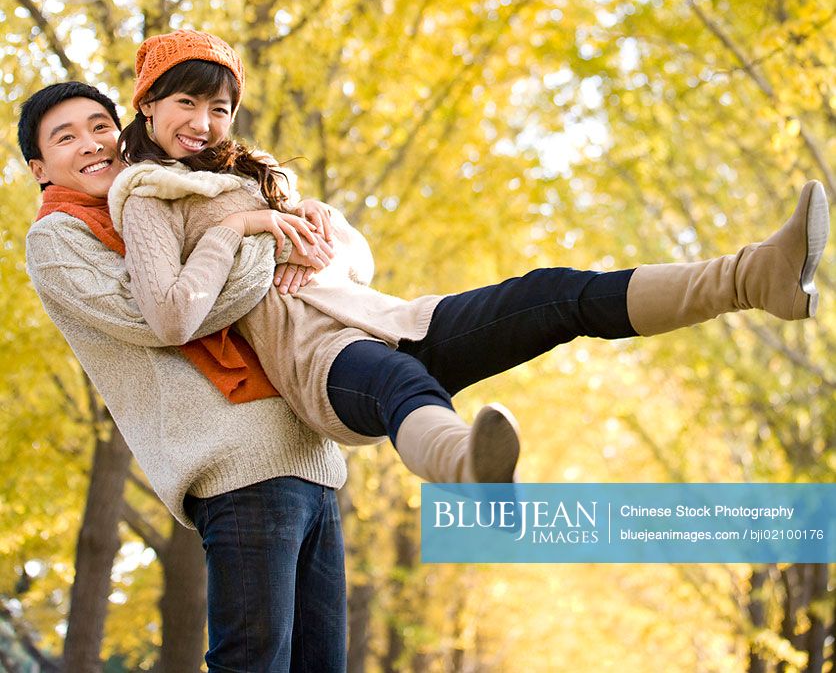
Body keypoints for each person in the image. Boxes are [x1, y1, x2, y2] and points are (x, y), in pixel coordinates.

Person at [112, 29, 830, 489]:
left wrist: (323, 227)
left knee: (556, 293)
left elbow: (356, 260)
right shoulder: (148, 197)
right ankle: (470, 469)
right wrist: (237, 227)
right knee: (402, 386)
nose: (204, 125)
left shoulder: (260, 173)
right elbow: (172, 314)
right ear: (148, 106)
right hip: (319, 366)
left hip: (394, 317)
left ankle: (752, 277)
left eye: (220, 110)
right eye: (186, 104)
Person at [20, 81, 348, 673]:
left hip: (308, 453)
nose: (93, 143)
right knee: (252, 662)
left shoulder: (166, 200)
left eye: (100, 126)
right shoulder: (57, 239)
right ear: (39, 168)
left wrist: (295, 222)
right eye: (66, 137)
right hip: (236, 465)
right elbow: (169, 315)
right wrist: (263, 235)